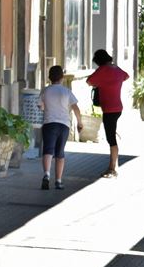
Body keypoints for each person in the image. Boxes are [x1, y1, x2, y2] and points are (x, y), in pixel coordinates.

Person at [86, 49, 129, 178]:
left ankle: (112, 168)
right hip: (118, 108)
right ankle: (113, 166)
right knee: (111, 133)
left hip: (108, 109)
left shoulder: (102, 70)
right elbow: (126, 76)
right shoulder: (116, 69)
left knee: (111, 139)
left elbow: (89, 81)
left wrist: (102, 82)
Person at [38, 65, 82, 190]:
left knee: (48, 150)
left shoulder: (45, 91)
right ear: (62, 77)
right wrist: (79, 123)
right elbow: (75, 108)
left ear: (49, 77)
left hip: (49, 123)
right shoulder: (66, 91)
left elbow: (40, 106)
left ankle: (46, 174)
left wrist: (47, 108)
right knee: (60, 153)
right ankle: (58, 181)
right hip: (64, 125)